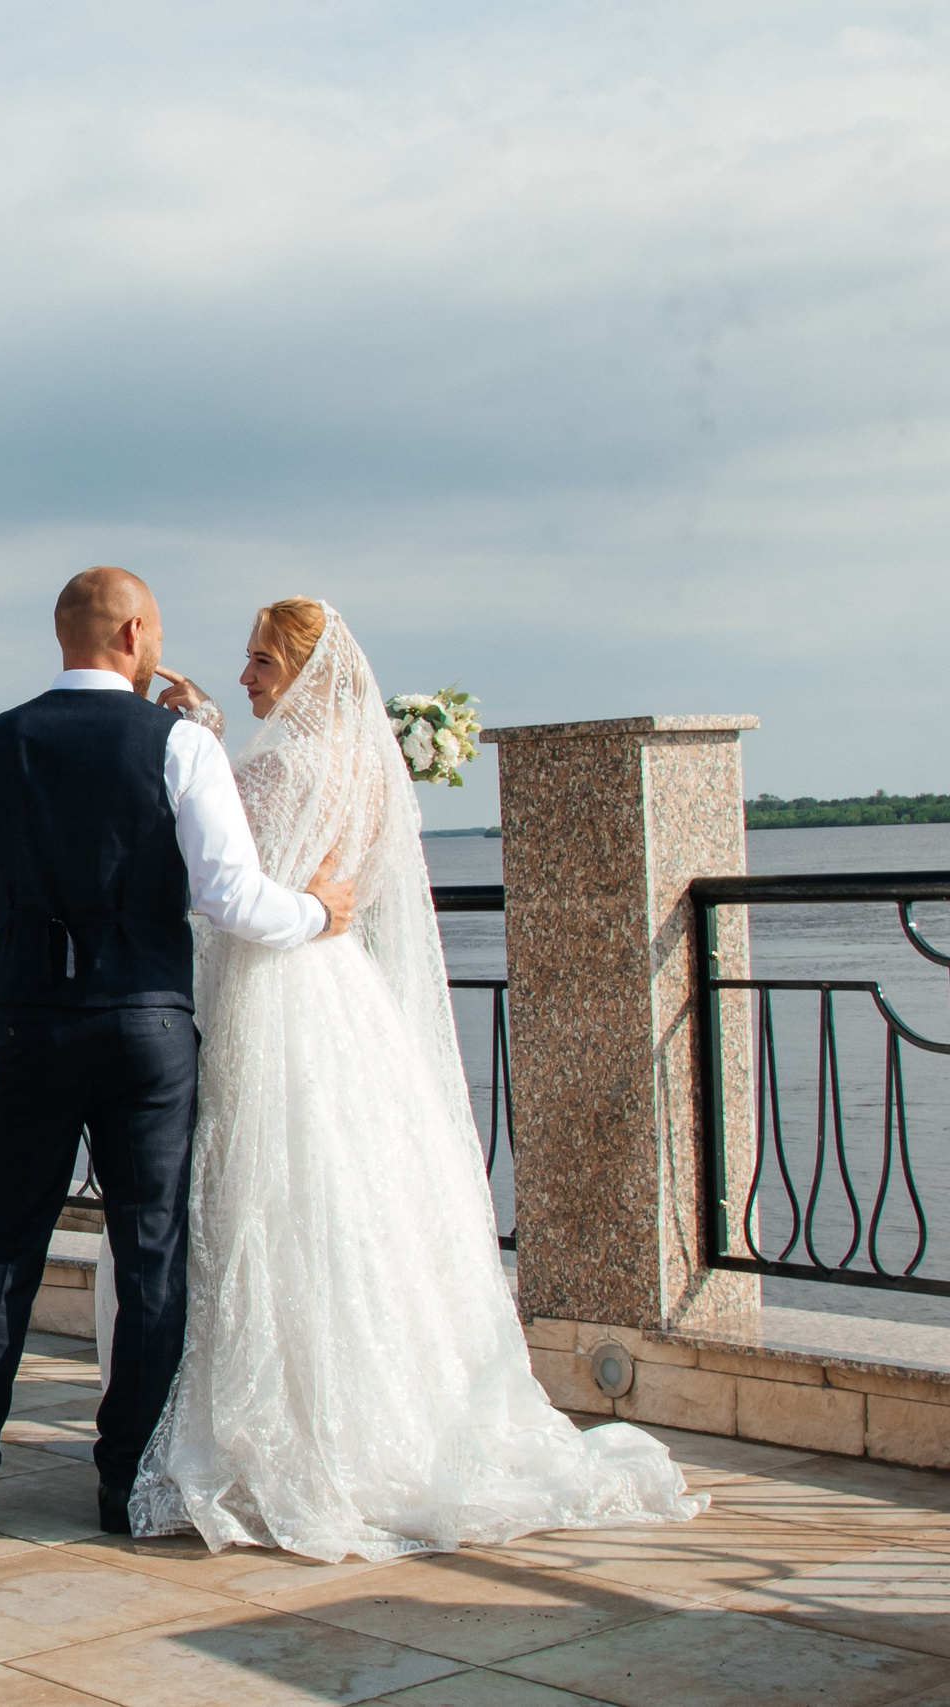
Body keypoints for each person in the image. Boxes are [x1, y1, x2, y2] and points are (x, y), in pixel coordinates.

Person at [128, 599, 701, 1559]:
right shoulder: (367, 768)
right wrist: (221, 737)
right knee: (355, 1199)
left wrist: (201, 747)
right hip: (345, 995)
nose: (247, 676)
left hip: (275, 993)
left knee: (278, 1200)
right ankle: (397, 1402)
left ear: (305, 673)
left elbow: (227, 885)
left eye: (262, 662)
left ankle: (303, 1428)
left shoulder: (276, 768)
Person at [0, 566, 358, 1537]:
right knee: (150, 1252)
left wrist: (8, 994)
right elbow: (230, 899)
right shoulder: (177, 747)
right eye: (152, 631)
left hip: (32, 1027)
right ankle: (126, 1479)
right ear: (131, 634)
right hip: (148, 1029)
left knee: (0, 1252)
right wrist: (321, 911)